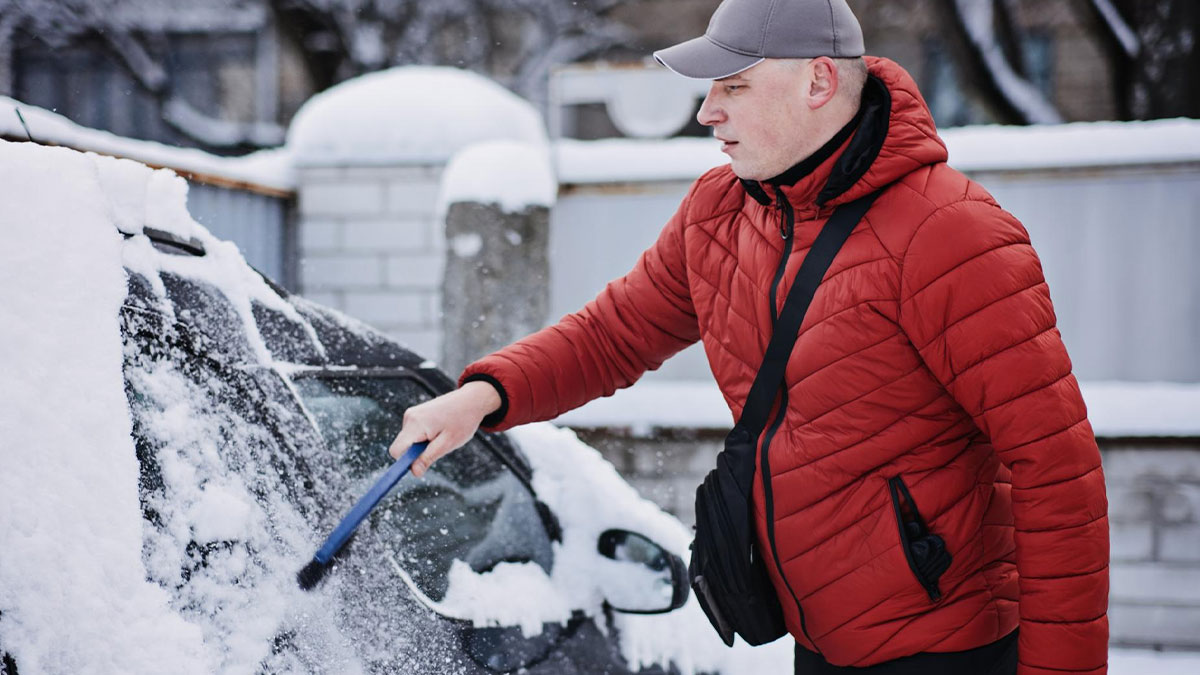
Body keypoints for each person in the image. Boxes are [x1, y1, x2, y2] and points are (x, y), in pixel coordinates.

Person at [388, 0, 1110, 673]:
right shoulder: (721, 212)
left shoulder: (949, 234)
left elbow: (1056, 472)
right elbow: (614, 334)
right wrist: (481, 395)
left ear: (819, 80)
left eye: (732, 85)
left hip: (944, 647)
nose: (707, 112)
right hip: (818, 639)